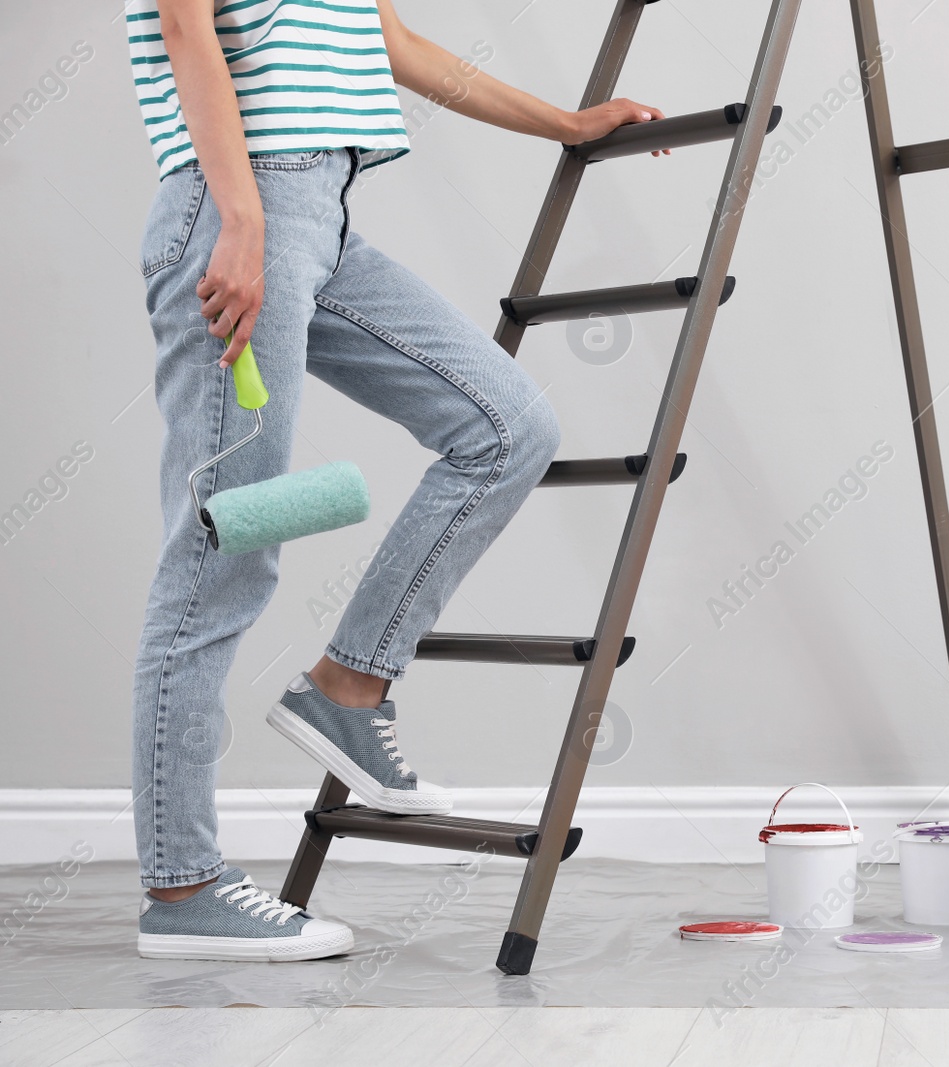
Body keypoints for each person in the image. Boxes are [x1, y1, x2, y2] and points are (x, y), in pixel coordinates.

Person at [128, 0, 664, 961]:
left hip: (319, 223)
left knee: (507, 426)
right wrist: (243, 219)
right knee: (222, 556)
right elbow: (183, 26)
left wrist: (570, 123)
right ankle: (182, 886)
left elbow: (396, 43)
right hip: (235, 212)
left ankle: (347, 685)